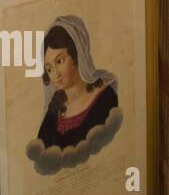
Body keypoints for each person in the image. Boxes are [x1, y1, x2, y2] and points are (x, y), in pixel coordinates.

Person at [36, 16, 119, 152]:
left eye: (59, 61)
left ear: (76, 55)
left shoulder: (105, 97)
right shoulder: (55, 105)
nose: (55, 75)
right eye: (49, 69)